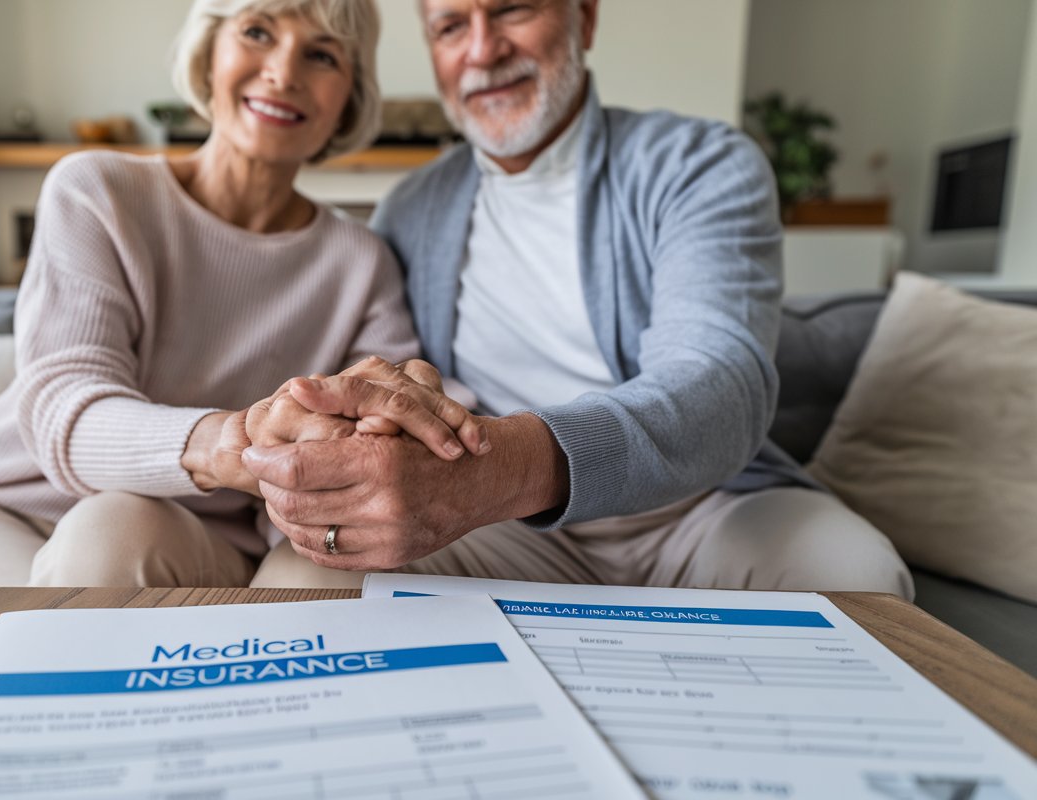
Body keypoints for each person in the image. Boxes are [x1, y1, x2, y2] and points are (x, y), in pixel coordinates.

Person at [0, 0, 485, 588]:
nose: (283, 71)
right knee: (87, 558)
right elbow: (65, 405)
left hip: (191, 534)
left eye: (323, 56)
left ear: (349, 99)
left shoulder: (360, 262)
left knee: (203, 548)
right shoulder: (99, 191)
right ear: (209, 54)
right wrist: (238, 440)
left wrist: (407, 411)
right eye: (256, 32)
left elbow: (388, 418)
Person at [244, 0, 914, 599]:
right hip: (508, 529)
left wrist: (501, 470)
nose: (482, 50)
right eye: (451, 26)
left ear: (584, 17)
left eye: (511, 11)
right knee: (300, 580)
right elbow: (399, 384)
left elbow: (723, 383)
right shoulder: (411, 210)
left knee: (860, 580)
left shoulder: (700, 164)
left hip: (702, 508)